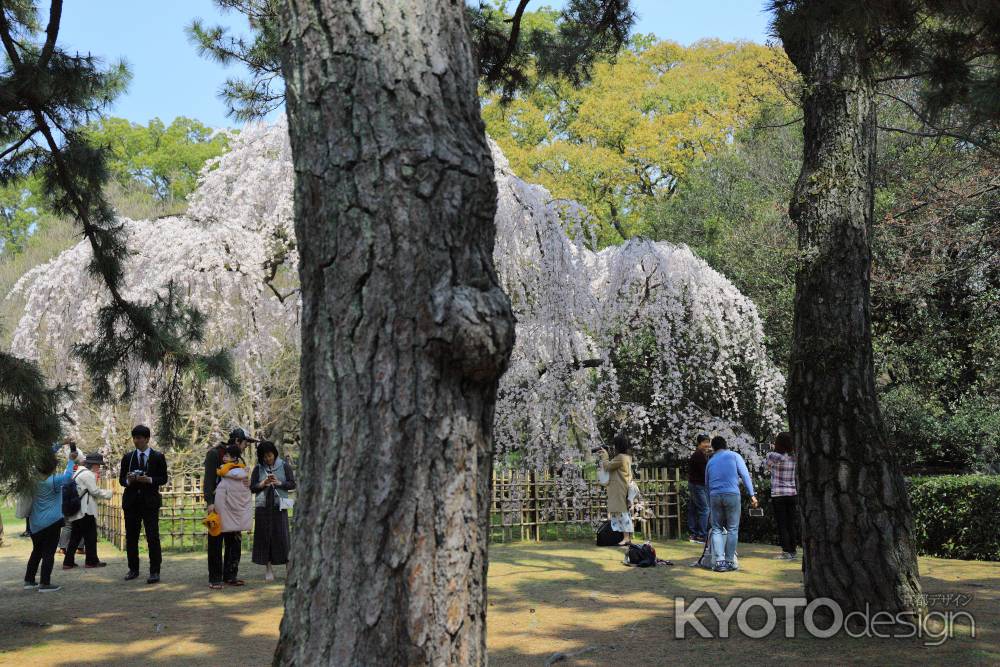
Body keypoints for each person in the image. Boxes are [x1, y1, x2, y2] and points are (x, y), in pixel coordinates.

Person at [204, 428, 254, 589]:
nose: (246, 446)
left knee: (234, 541)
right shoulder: (215, 454)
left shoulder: (240, 460)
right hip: (218, 504)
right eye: (245, 443)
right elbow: (209, 480)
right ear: (238, 441)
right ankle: (215, 578)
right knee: (215, 541)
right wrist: (210, 502)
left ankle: (231, 575)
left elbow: (243, 482)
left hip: (235, 506)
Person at [119, 425, 168, 584]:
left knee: (152, 537)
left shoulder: (158, 457)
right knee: (131, 537)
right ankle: (133, 569)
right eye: (135, 438)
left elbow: (163, 478)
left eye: (140, 438)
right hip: (131, 502)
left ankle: (155, 571)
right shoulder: (128, 457)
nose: (137, 441)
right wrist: (129, 480)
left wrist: (150, 480)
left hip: (150, 502)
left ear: (147, 439)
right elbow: (122, 480)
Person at [24, 446, 78, 592]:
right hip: (51, 522)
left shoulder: (34, 479)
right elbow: (68, 477)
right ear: (52, 467)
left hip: (35, 523)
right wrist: (71, 460)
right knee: (48, 552)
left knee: (37, 551)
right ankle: (45, 583)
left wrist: (60, 444)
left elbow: (43, 457)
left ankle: (29, 580)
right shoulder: (52, 481)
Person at [704, 435, 758, 572]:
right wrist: (752, 495)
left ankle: (719, 561)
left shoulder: (710, 461)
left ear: (714, 447)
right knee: (733, 528)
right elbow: (745, 475)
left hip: (714, 495)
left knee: (716, 528)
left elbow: (706, 484)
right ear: (726, 445)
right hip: (732, 494)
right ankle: (729, 561)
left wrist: (709, 502)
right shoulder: (734, 456)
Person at [250, 441, 296, 581]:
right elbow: (252, 488)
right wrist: (263, 483)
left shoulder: (284, 466)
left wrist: (279, 483)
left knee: (282, 537)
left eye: (269, 456)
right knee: (265, 537)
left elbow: (292, 483)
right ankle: (268, 569)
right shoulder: (258, 469)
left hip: (279, 505)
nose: (268, 459)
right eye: (265, 457)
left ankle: (288, 568)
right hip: (263, 507)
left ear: (274, 453)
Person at [63, 452, 113, 569]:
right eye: (98, 465)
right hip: (86, 510)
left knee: (75, 537)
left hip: (77, 510)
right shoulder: (88, 474)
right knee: (91, 537)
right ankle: (91, 561)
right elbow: (94, 491)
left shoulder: (78, 473)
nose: (99, 467)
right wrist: (109, 493)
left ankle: (68, 562)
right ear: (93, 464)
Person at [766, 431, 798, 560]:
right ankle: (793, 550)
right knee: (791, 523)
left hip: (778, 493)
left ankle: (786, 551)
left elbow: (767, 467)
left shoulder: (773, 456)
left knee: (782, 524)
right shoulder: (794, 456)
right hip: (792, 493)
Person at [598, 433, 634, 546]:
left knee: (622, 514)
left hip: (619, 489)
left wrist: (605, 457)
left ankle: (626, 537)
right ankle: (621, 536)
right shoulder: (626, 457)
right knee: (618, 513)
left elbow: (608, 466)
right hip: (620, 488)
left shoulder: (621, 458)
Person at [687, 434, 712, 543]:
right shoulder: (698, 455)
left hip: (695, 484)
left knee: (694, 509)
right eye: (704, 442)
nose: (707, 445)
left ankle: (693, 534)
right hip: (698, 485)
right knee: (705, 509)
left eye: (708, 442)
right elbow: (704, 472)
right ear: (699, 443)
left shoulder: (701, 454)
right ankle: (701, 535)